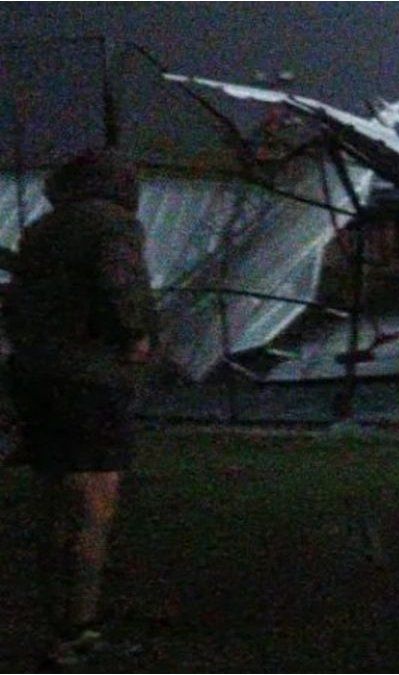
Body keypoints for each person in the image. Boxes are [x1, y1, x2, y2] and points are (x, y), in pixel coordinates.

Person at [5, 149, 158, 667]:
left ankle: (58, 620)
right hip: (90, 383)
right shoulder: (113, 226)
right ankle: (78, 630)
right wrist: (136, 334)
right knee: (94, 507)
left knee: (53, 505)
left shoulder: (42, 230)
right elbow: (120, 286)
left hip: (37, 380)